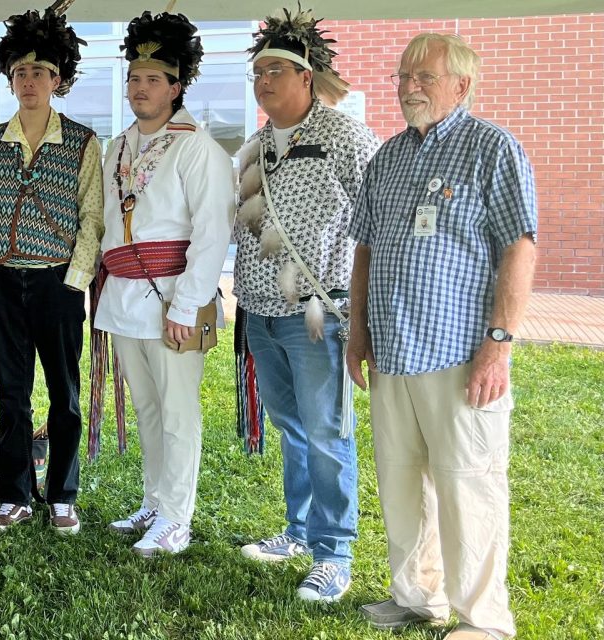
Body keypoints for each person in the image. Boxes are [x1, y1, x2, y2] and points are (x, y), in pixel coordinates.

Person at [348, 33, 536, 640]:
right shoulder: (387, 157)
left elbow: (519, 247)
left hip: (459, 353)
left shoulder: (493, 149)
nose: (409, 87)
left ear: (461, 85)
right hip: (393, 351)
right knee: (401, 481)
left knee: (467, 483)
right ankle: (416, 595)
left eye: (424, 77)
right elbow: (365, 250)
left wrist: (499, 343)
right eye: (404, 76)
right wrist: (358, 331)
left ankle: (483, 618)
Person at [231, 7, 380, 603]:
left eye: (276, 71)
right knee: (291, 427)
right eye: (257, 72)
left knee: (326, 433)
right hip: (259, 312)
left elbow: (376, 222)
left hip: (318, 314)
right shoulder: (255, 147)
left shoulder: (344, 137)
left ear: (306, 77)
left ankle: (333, 552)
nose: (263, 81)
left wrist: (366, 309)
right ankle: (297, 531)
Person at [91, 12, 233, 556]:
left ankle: (177, 517)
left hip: (174, 296)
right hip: (125, 296)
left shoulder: (197, 147)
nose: (140, 88)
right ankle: (154, 501)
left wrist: (188, 304)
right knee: (148, 409)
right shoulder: (118, 146)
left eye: (153, 79)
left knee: (177, 413)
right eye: (134, 78)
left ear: (175, 87)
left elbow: (212, 232)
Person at [0, 5, 103, 535]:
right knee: (12, 392)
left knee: (64, 393)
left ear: (57, 79)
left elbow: (93, 215)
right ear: (9, 78)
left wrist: (75, 279)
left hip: (56, 281)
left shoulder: (83, 141)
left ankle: (63, 493)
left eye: (40, 72)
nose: (29, 81)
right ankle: (15, 493)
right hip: (1, 281)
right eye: (20, 72)